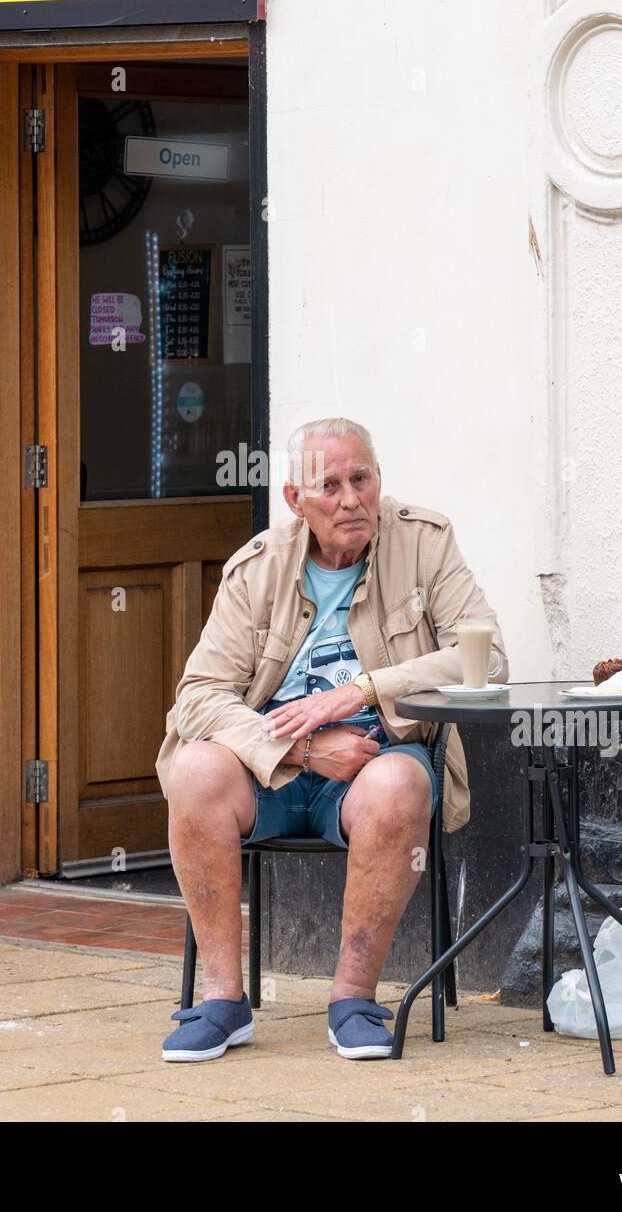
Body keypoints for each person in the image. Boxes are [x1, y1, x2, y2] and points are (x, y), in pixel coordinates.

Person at [155, 417, 508, 1060]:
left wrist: (363, 690)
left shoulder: (425, 542)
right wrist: (302, 748)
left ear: (379, 478)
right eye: (330, 486)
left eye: (361, 479)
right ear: (295, 499)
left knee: (400, 783)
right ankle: (223, 1001)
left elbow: (483, 658)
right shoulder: (258, 568)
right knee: (196, 771)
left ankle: (353, 998)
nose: (351, 500)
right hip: (272, 768)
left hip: (379, 756)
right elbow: (199, 693)